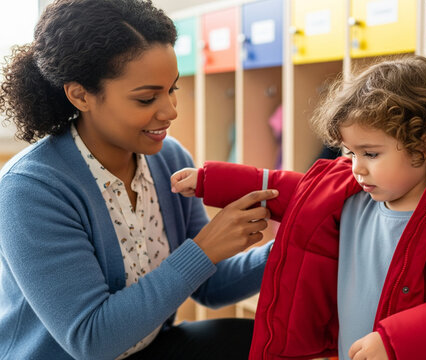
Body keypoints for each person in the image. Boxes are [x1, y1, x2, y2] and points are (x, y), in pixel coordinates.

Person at [171, 56, 426, 360]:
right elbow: (281, 187)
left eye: (371, 154)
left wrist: (396, 341)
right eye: (350, 153)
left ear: (425, 147)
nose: (356, 166)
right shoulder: (346, 189)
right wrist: (209, 180)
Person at [0, 1, 278, 359]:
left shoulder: (169, 158)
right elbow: (92, 340)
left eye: (172, 89)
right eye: (147, 98)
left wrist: (291, 245)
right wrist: (204, 249)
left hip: (145, 349)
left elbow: (210, 285)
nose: (170, 111)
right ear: (80, 95)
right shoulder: (31, 190)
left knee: (264, 339)